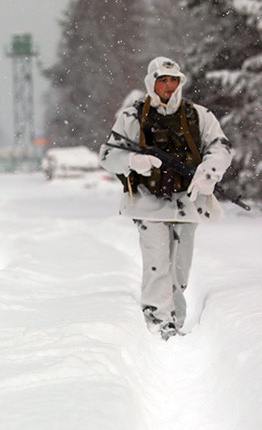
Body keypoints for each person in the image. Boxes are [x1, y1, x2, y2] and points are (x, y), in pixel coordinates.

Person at [99, 57, 233, 340]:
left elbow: (220, 147)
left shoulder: (199, 115)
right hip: (149, 202)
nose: (169, 86)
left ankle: (175, 317)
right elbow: (108, 155)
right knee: (158, 263)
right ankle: (158, 321)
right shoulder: (132, 117)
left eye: (173, 80)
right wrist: (134, 160)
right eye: (163, 80)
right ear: (152, 83)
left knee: (180, 269)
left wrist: (209, 172)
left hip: (188, 201)